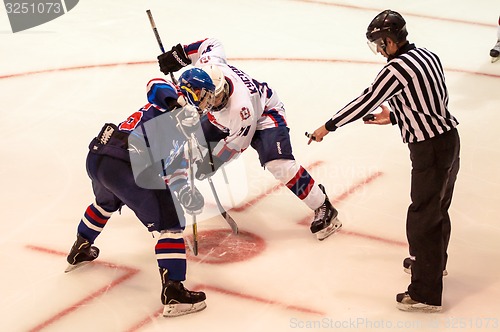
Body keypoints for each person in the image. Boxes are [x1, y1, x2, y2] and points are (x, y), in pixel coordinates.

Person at [307, 10, 460, 312]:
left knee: (422, 217)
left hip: (428, 149)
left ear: (389, 41)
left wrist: (327, 126)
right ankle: (433, 264)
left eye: (379, 44)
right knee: (437, 208)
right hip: (449, 140)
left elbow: (365, 100)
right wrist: (396, 116)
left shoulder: (396, 69)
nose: (379, 50)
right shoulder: (427, 55)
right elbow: (431, 99)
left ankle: (426, 292)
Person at [65, 68, 216, 317]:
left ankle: (80, 247)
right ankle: (174, 292)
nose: (206, 102)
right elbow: (154, 85)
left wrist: (185, 189)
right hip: (126, 163)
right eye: (204, 95)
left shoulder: (186, 125)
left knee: (105, 204)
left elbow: (170, 169)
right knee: (170, 224)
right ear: (193, 91)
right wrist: (176, 102)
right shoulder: (171, 100)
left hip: (101, 158)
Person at [156, 38, 341, 241]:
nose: (213, 102)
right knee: (186, 140)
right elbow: (210, 43)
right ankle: (170, 186)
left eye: (215, 98)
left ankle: (321, 204)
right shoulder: (210, 65)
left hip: (265, 114)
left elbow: (236, 146)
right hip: (225, 120)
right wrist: (180, 55)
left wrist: (212, 162)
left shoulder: (239, 109)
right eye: (208, 100)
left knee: (279, 165)